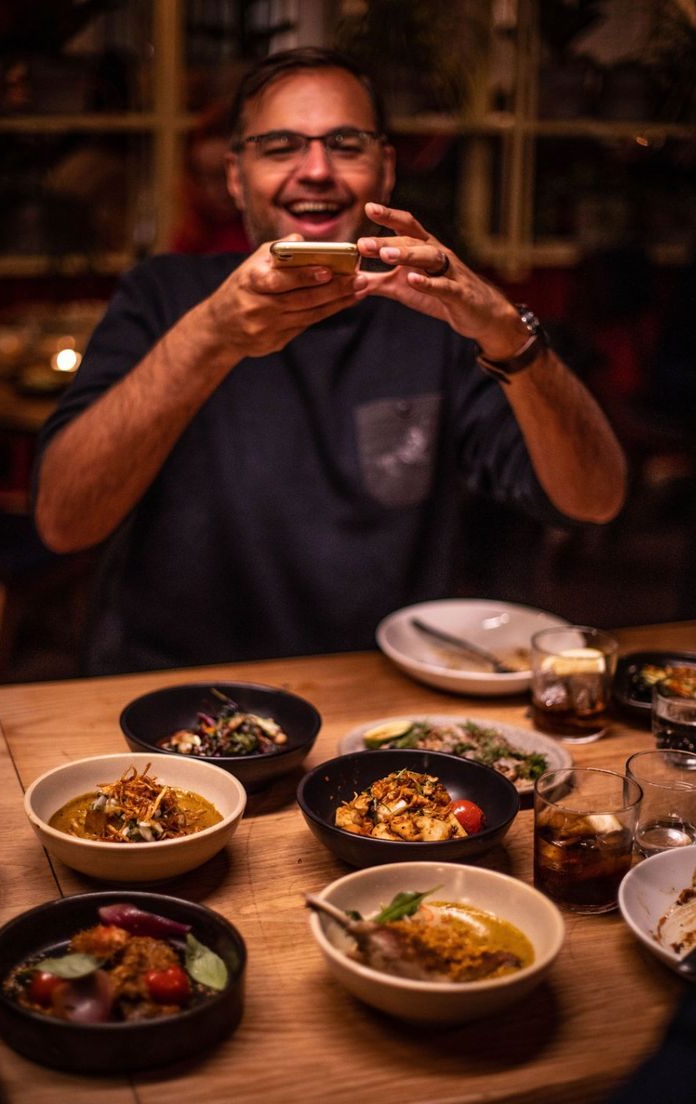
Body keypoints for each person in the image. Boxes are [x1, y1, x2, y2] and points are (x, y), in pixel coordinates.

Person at [33, 47, 626, 676]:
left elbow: (594, 499)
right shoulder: (164, 294)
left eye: (345, 144)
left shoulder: (436, 316)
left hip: (385, 704)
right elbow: (64, 521)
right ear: (236, 177)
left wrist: (508, 333)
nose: (315, 170)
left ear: (386, 168)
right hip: (184, 700)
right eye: (281, 146)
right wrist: (213, 335)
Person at [168, 101, 250, 255]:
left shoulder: (263, 231)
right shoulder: (194, 236)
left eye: (222, 175)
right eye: (202, 177)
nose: (214, 190)